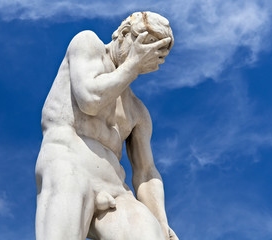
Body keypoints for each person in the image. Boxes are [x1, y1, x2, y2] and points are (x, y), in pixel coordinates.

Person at [35, 11, 178, 240]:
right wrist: (132, 66)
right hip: (69, 164)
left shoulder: (137, 112)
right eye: (145, 46)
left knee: (149, 234)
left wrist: (162, 223)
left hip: (115, 186)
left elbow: (146, 172)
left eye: (156, 53)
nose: (147, 57)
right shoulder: (87, 43)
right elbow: (90, 100)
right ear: (123, 35)